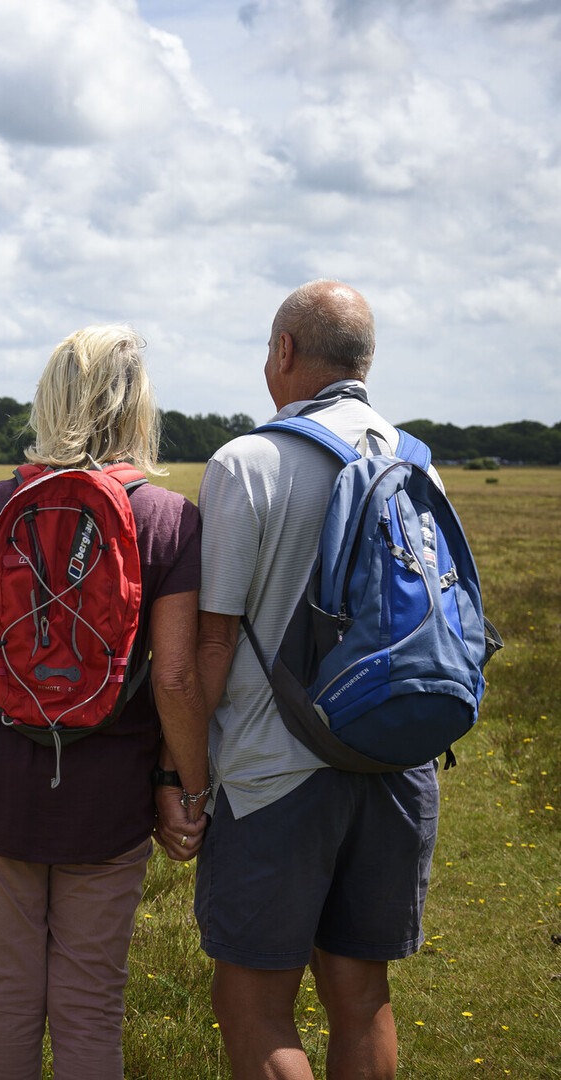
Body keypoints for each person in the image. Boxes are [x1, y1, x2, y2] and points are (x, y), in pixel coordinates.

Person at [0, 325, 209, 1080]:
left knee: (4, 1008)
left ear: (49, 400)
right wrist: (185, 785)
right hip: (107, 798)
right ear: (139, 408)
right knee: (90, 1011)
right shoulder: (169, 518)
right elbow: (176, 678)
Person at [195, 280, 437, 1079]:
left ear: (285, 353)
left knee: (253, 1002)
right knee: (361, 994)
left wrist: (182, 770)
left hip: (274, 773)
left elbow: (214, 638)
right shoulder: (417, 463)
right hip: (397, 762)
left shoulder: (247, 461)